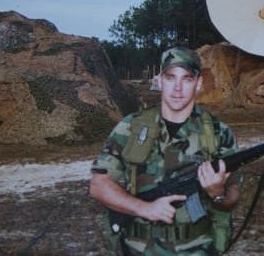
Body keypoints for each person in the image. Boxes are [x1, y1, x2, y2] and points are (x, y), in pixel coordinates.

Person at [90, 47, 242, 255]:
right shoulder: (130, 127)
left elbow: (232, 196)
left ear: (198, 84)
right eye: (171, 78)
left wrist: (217, 194)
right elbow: (99, 186)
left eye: (187, 79)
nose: (177, 88)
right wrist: (144, 208)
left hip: (197, 248)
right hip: (139, 248)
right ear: (160, 81)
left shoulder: (218, 133)